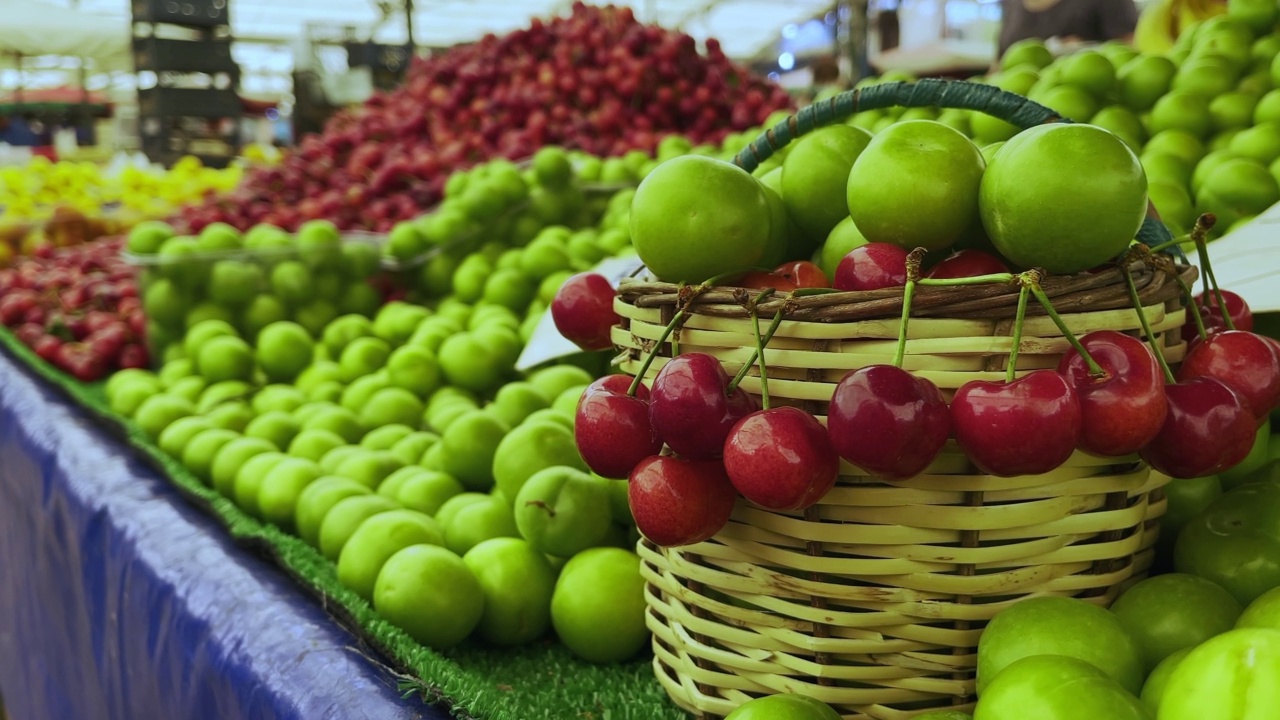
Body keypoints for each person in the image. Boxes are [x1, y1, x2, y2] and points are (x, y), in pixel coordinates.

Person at [998, 0, 1140, 56]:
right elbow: (999, 64)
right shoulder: (1011, 3)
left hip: (1083, 101)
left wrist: (1084, 49)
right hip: (1013, 106)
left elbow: (1133, 48)